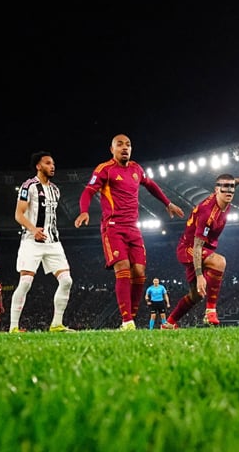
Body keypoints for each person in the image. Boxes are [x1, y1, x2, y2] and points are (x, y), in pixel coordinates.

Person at [75, 135, 185, 331]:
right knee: (123, 267)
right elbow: (89, 191)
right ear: (112, 149)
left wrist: (167, 203)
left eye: (128, 145)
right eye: (120, 145)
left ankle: (130, 320)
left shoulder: (136, 169)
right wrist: (84, 211)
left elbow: (150, 185)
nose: (124, 148)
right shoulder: (105, 169)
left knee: (139, 273)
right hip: (113, 227)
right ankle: (127, 321)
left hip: (133, 228)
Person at [163, 167, 239, 329]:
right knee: (219, 262)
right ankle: (211, 311)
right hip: (190, 248)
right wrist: (200, 275)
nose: (229, 190)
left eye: (232, 187)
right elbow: (197, 246)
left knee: (196, 295)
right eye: (225, 187)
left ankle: (169, 323)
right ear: (216, 190)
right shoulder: (207, 213)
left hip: (203, 248)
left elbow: (230, 183)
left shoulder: (225, 197)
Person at [9, 151, 74, 333]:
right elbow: (18, 214)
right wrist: (33, 229)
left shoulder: (55, 190)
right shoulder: (28, 186)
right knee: (25, 282)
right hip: (31, 241)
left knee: (67, 281)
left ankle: (57, 324)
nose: (52, 166)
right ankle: (13, 327)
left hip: (53, 242)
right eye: (47, 163)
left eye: (53, 163)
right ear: (38, 166)